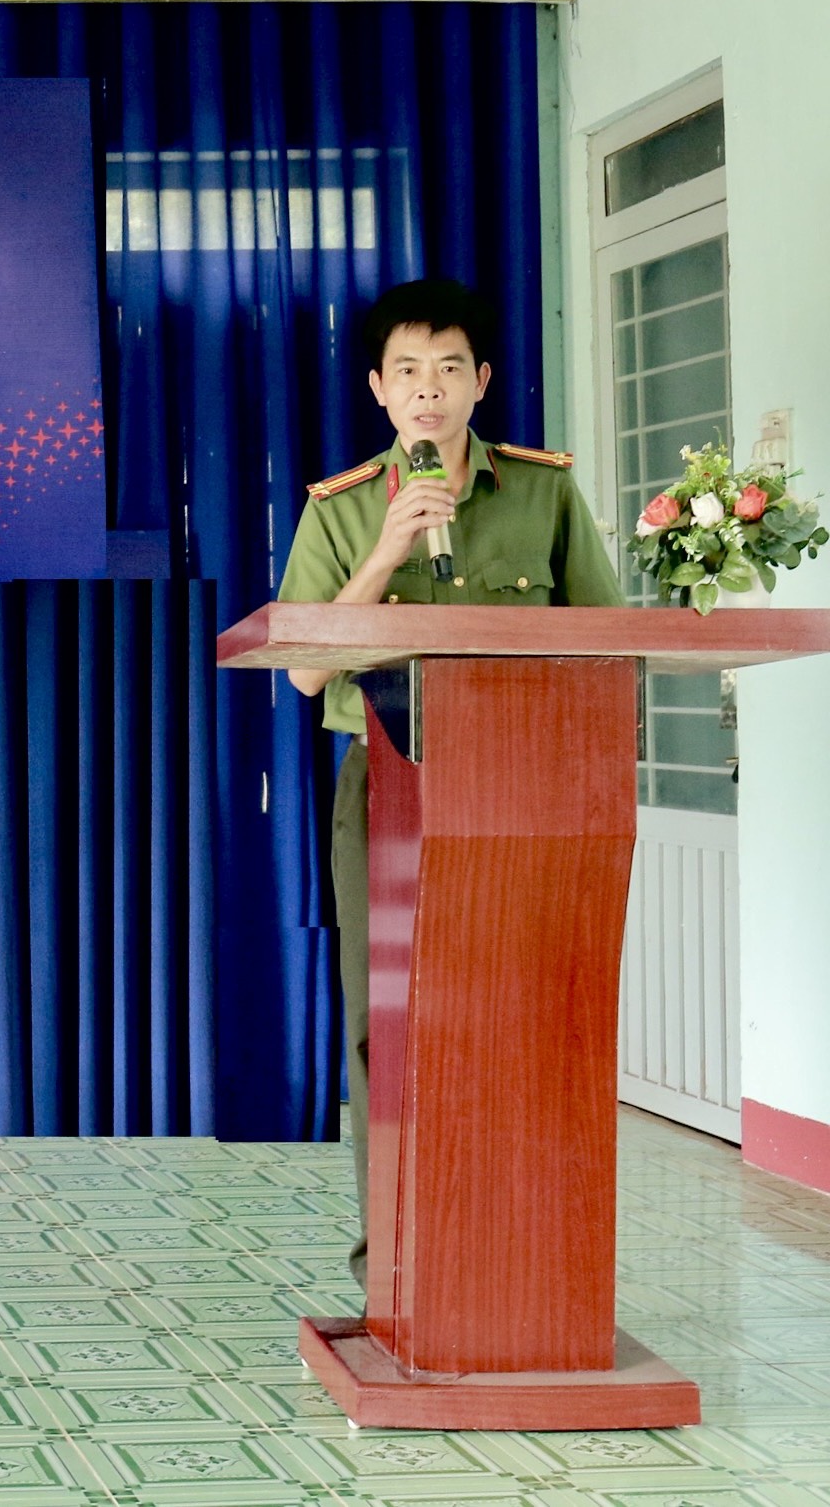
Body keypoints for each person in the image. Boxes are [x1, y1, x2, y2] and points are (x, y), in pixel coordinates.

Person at [275, 278, 626, 1285]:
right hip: (387, 787)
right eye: (407, 371)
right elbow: (304, 673)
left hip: (524, 789)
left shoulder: (544, 493)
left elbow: (604, 643)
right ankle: (392, 1260)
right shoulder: (342, 509)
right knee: (383, 1025)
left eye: (447, 368)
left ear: (481, 380)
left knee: (523, 1018)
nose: (428, 389)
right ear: (379, 390)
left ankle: (521, 1256)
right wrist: (387, 548)